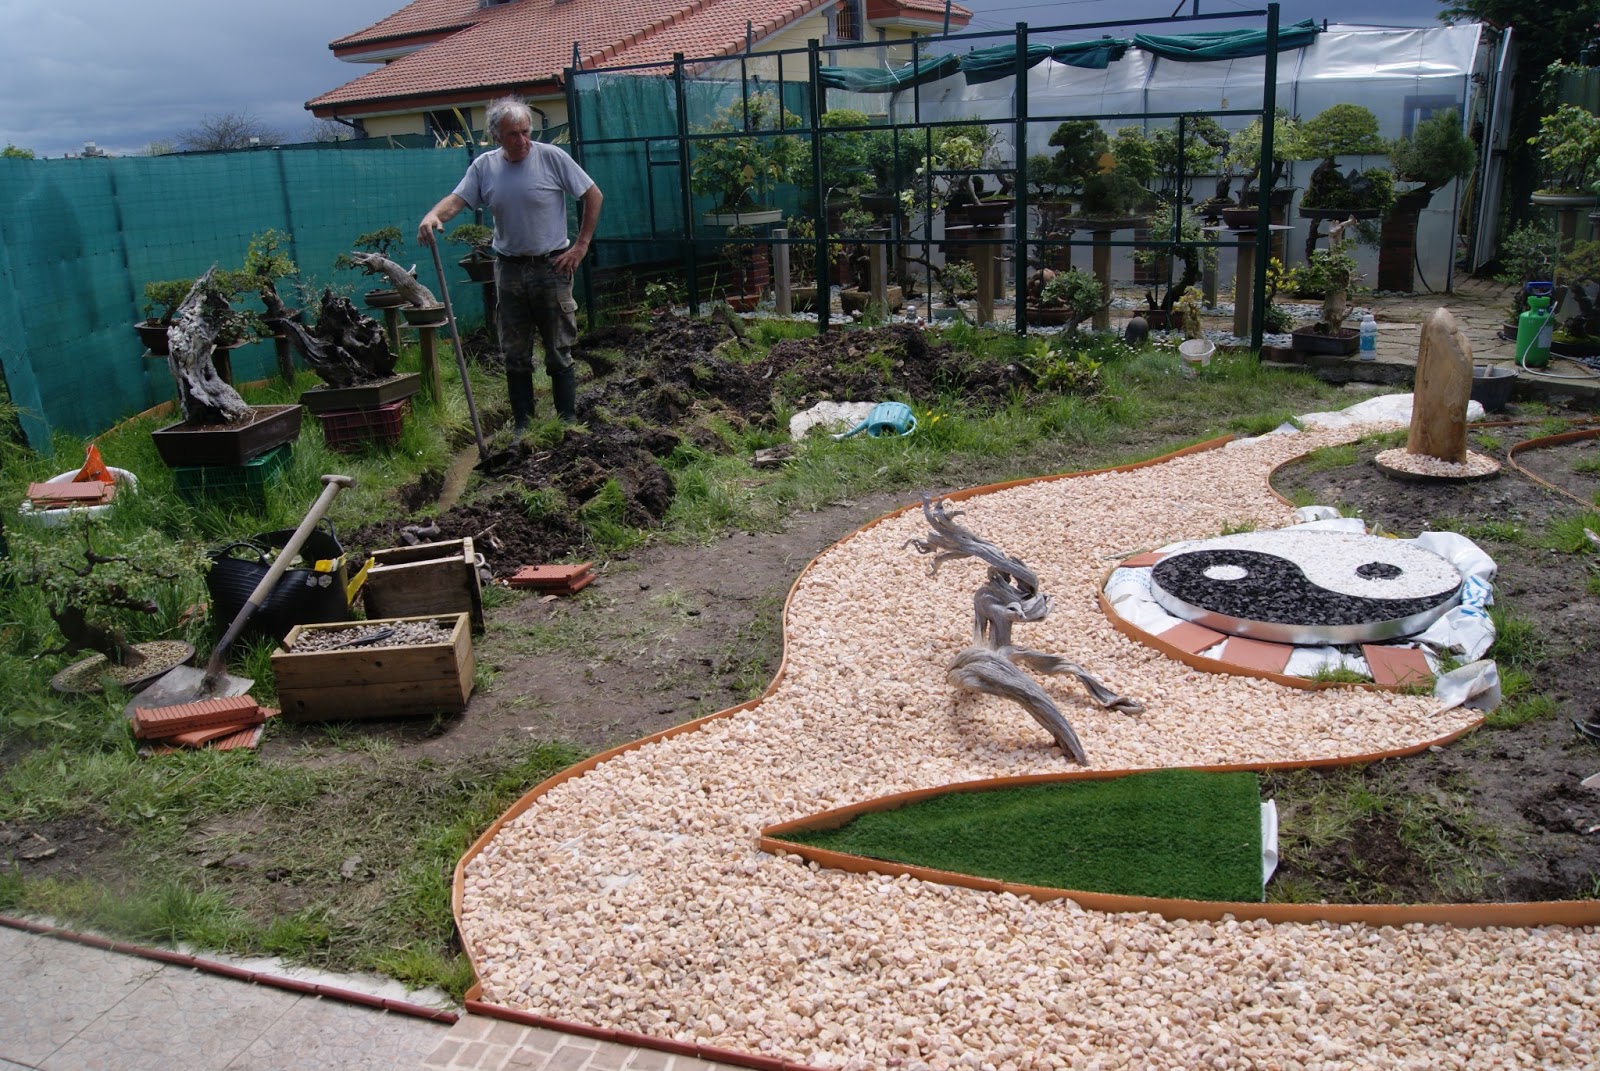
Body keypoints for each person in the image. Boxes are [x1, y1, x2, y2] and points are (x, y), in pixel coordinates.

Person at [418, 97, 602, 432]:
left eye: (525, 131)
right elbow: (457, 201)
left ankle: (567, 422)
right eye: (512, 134)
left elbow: (593, 194)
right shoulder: (485, 166)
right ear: (495, 136)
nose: (521, 140)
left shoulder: (552, 157)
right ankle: (522, 425)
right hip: (509, 269)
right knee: (514, 351)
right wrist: (432, 215)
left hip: (552, 266)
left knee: (558, 347)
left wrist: (581, 245)